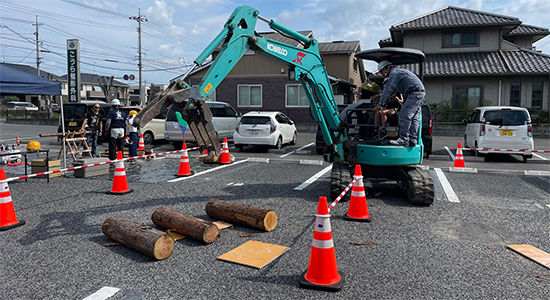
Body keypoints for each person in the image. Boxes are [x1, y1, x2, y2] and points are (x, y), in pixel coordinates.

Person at [373, 60, 425, 146]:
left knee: (404, 115)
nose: (381, 74)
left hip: (414, 94)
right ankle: (412, 140)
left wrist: (380, 104)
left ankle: (404, 139)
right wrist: (380, 95)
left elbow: (389, 88)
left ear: (387, 68)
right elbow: (392, 91)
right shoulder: (399, 73)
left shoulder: (394, 73)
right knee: (414, 118)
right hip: (418, 93)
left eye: (381, 71)